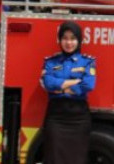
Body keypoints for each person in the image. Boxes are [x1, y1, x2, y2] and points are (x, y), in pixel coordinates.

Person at [40, 21, 96, 164]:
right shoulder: (50, 61)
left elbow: (88, 85)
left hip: (79, 118)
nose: (68, 42)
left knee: (77, 159)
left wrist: (60, 87)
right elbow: (48, 83)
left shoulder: (87, 62)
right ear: (59, 39)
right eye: (65, 38)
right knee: (54, 157)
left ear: (79, 40)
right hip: (56, 117)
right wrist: (74, 83)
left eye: (72, 38)